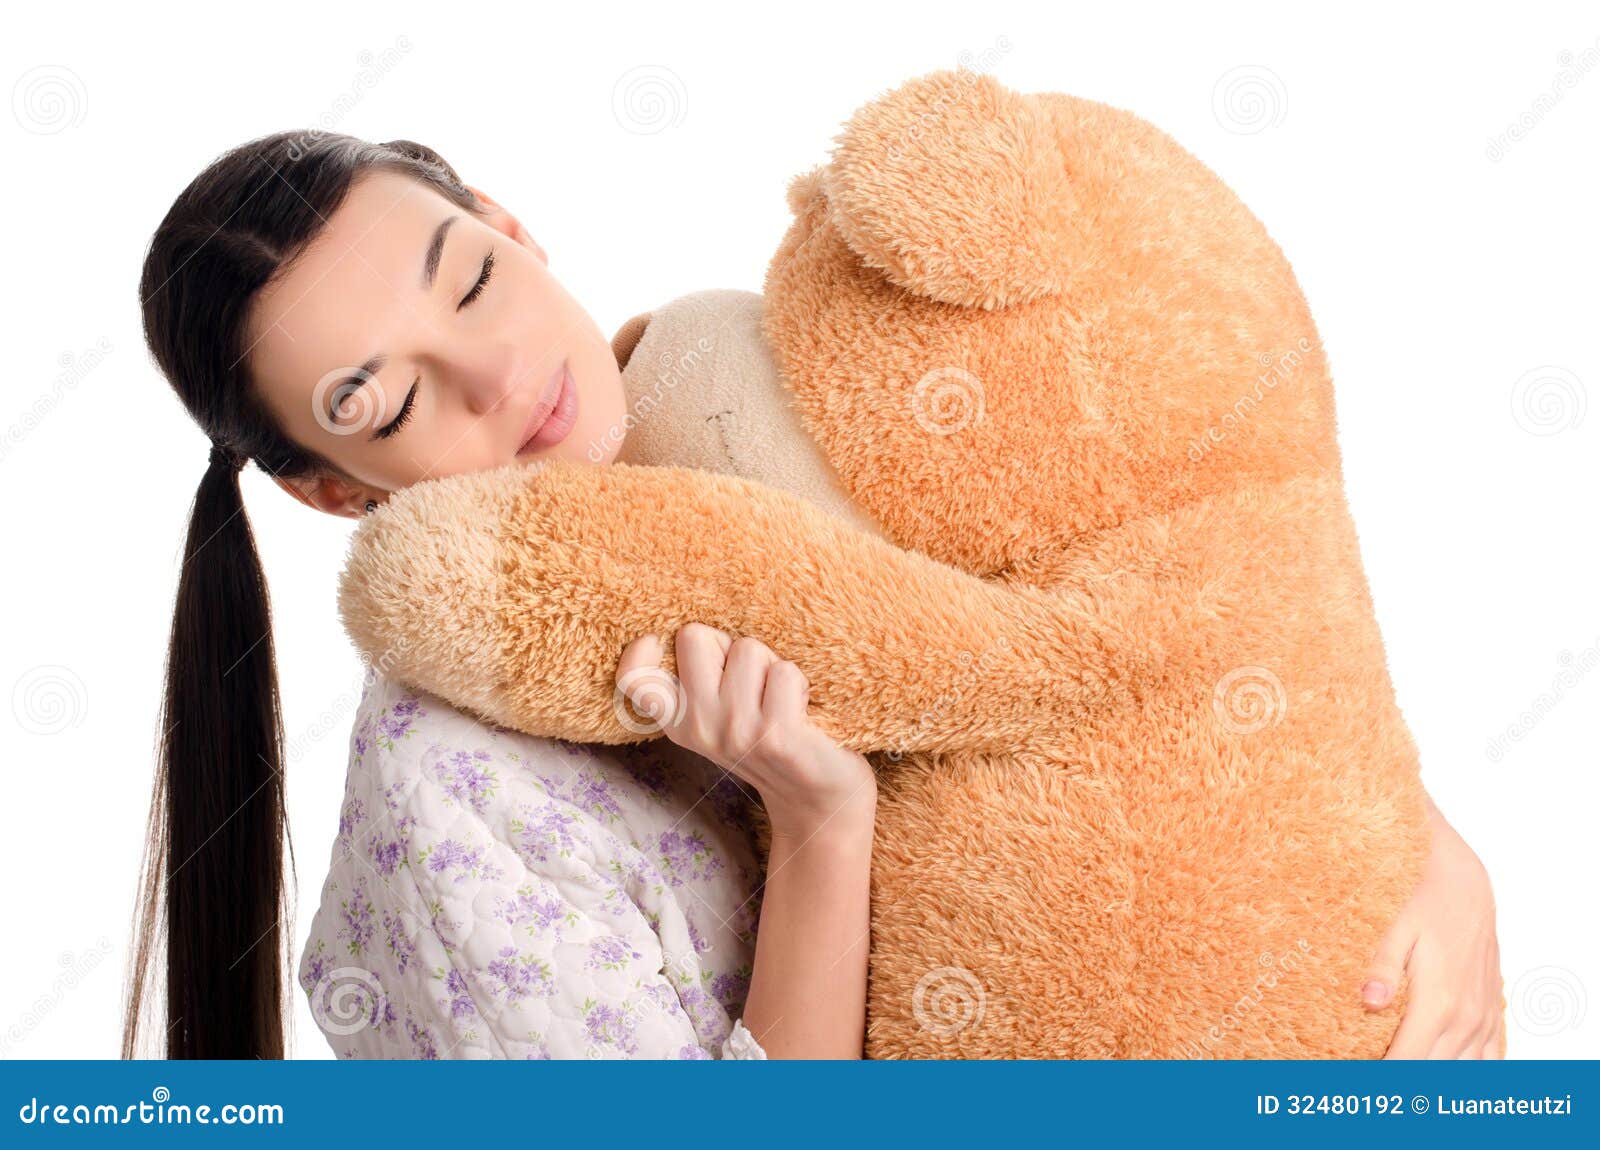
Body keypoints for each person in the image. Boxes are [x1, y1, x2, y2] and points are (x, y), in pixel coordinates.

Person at [125, 129, 1501, 1060]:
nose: (494, 381)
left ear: (513, 228)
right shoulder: (457, 805)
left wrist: (1421, 843)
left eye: (473, 280)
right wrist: (820, 821)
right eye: (397, 397)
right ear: (337, 491)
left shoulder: (742, 406)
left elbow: (1129, 604)